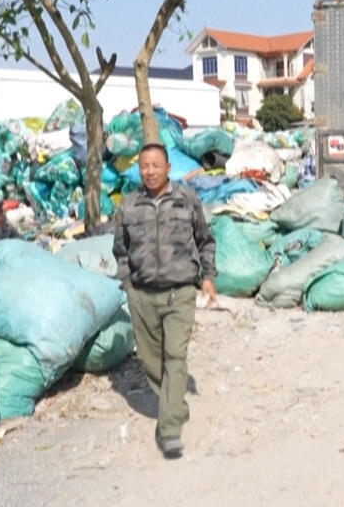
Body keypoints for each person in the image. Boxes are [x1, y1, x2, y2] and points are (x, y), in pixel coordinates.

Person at [112, 143, 218, 459]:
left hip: (179, 292)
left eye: (156, 165)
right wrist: (129, 285)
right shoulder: (129, 206)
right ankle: (175, 402)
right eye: (145, 166)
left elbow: (205, 241)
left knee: (175, 354)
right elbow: (120, 250)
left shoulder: (186, 199)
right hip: (142, 293)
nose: (150, 171)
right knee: (150, 360)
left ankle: (169, 429)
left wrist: (208, 278)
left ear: (168, 168)